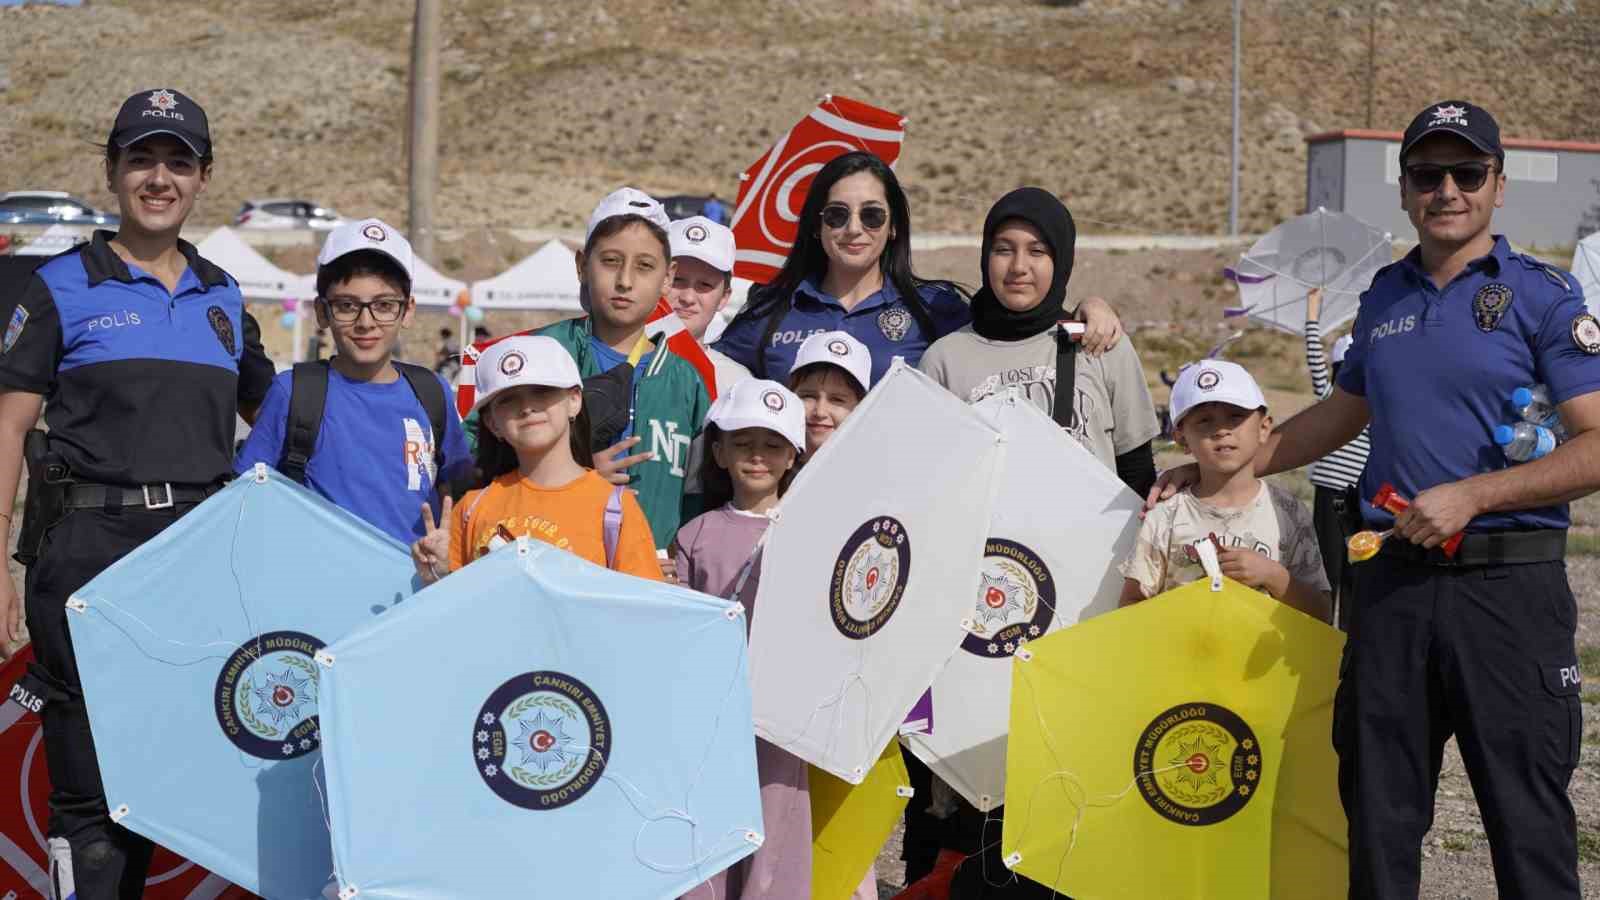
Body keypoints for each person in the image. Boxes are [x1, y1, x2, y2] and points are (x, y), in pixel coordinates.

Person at [1149, 100, 1596, 899]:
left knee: (1527, 828)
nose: (1447, 189)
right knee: (1378, 823)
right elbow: (1338, 413)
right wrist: (1225, 465)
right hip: (1392, 587)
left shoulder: (1545, 298)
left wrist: (1475, 496)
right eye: (1429, 174)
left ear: (1497, 185)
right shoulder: (1386, 297)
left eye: (1467, 172)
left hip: (1508, 593)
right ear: (1404, 190)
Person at [0, 88, 274, 899]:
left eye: (178, 162)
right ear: (114, 172)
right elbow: (8, 427)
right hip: (85, 558)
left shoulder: (225, 296)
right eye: (142, 159)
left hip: (196, 566)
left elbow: (287, 418)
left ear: (203, 178)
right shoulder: (57, 286)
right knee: (87, 797)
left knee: (166, 789)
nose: (160, 177)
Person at [234, 218, 473, 544]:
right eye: (346, 306)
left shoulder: (432, 393)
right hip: (321, 587)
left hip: (418, 589)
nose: (366, 322)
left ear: (408, 311)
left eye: (384, 305)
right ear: (321, 312)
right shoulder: (294, 393)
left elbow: (460, 496)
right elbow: (245, 499)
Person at [920, 186, 1159, 495]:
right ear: (985, 255)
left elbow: (1137, 471)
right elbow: (933, 481)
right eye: (1004, 249)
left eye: (1037, 251)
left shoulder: (1099, 342)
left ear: (1060, 261)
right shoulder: (943, 361)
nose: (1019, 267)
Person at [675, 378, 809, 899]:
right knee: (706, 821)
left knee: (776, 824)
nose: (758, 457)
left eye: (773, 445)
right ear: (719, 450)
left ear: (793, 456)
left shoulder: (810, 528)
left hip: (781, 711)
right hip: (711, 711)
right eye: (744, 443)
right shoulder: (695, 534)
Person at [411, 335, 661, 582]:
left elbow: (642, 612)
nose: (527, 407)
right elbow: (456, 607)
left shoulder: (616, 508)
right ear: (492, 423)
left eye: (542, 391)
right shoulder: (471, 508)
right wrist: (439, 575)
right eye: (508, 400)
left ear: (574, 400)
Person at [713, 151, 971, 384]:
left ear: (893, 226)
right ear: (816, 225)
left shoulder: (935, 309)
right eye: (837, 215)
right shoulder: (769, 311)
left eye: (872, 215)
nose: (854, 229)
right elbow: (709, 374)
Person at [1120, 359, 1331, 617]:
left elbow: (1322, 613)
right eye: (1205, 421)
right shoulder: (1166, 515)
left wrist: (1273, 576)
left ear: (1264, 428)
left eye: (1235, 417)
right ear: (1181, 438)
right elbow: (1130, 607)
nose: (1221, 430)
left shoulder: (1289, 513)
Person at [1303, 287, 1370, 629]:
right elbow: (1314, 357)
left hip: (1357, 497)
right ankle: (1323, 634)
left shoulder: (1373, 407)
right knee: (1328, 569)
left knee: (1354, 571)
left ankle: (1348, 641)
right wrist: (1312, 315)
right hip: (1330, 495)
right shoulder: (1331, 400)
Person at [668, 215, 751, 392]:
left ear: (724, 298)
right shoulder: (612, 357)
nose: (688, 298)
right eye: (677, 280)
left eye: (705, 285)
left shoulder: (737, 384)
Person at [787, 330, 870, 457]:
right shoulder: (762, 470)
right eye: (808, 396)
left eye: (837, 399)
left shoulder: (875, 472)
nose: (820, 412)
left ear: (860, 406)